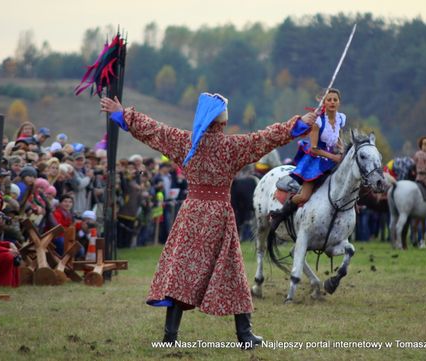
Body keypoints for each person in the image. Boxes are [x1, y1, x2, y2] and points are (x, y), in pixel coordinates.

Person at [100, 92, 315, 348]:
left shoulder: (185, 142)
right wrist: (299, 124)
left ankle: (170, 336)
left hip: (191, 214)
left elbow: (154, 130)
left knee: (182, 272)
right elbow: (267, 138)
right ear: (223, 121)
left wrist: (122, 114)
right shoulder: (232, 147)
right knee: (232, 270)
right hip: (219, 215)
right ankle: (244, 335)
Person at [270, 88, 346, 230]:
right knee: (304, 196)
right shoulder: (318, 122)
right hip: (316, 160)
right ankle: (281, 214)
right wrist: (334, 157)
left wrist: (341, 148)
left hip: (334, 158)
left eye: (335, 100)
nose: (332, 102)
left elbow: (337, 137)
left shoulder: (341, 119)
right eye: (329, 99)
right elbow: (314, 148)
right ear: (324, 102)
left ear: (339, 102)